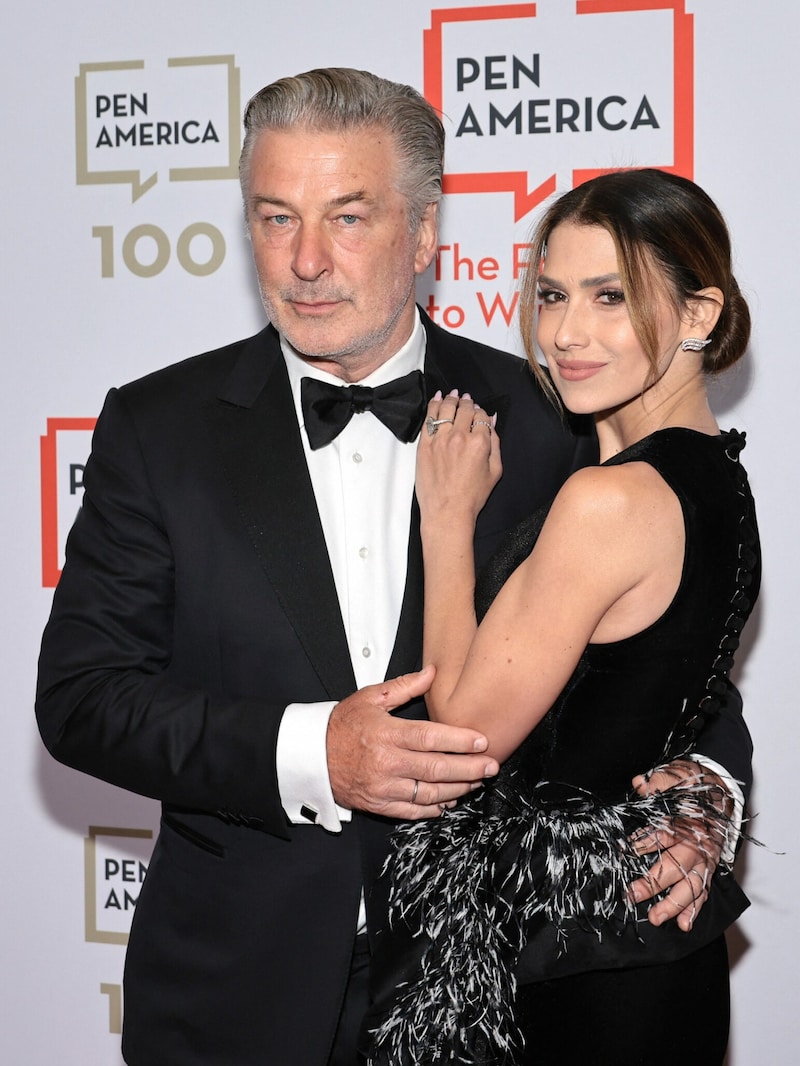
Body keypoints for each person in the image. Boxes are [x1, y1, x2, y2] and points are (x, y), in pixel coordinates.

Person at [35, 69, 751, 1066]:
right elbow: (81, 699)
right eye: (276, 218)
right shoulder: (159, 431)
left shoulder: (551, 418)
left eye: (349, 218)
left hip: (498, 995)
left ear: (422, 237)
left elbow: (662, 649)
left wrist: (708, 787)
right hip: (236, 995)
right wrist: (308, 751)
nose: (307, 261)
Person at [365, 168, 759, 1065]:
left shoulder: (605, 500)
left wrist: (450, 521)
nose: (567, 333)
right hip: (650, 947)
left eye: (610, 297)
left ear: (699, 316)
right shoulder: (721, 480)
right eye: (550, 295)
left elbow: (464, 730)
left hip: (574, 967)